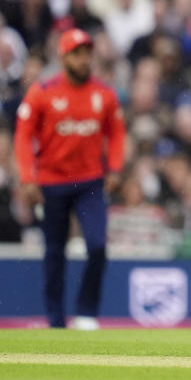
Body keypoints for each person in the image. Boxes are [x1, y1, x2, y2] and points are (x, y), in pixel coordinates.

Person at [14, 28, 126, 329]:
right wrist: (27, 178)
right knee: (54, 252)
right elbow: (23, 136)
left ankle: (87, 313)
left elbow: (116, 134)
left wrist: (114, 169)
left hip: (89, 182)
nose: (84, 59)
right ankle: (55, 319)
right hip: (51, 183)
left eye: (87, 52)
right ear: (64, 57)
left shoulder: (104, 94)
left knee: (98, 246)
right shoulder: (43, 92)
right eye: (77, 53)